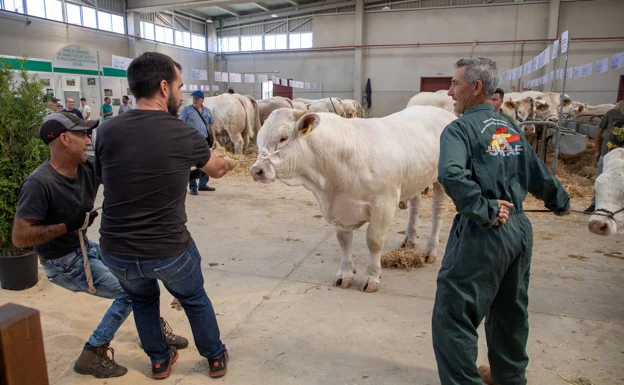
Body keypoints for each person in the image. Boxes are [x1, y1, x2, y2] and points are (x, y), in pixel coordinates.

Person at [11, 112, 189, 379]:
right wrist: (65, 225)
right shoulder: (40, 184)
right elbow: (20, 237)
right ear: (64, 139)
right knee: (131, 294)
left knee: (141, 279)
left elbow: (127, 171)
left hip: (85, 246)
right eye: (81, 135)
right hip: (62, 262)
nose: (87, 141)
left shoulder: (88, 167)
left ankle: (151, 333)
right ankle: (93, 352)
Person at [95, 52, 237, 380]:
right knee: (194, 298)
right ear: (163, 87)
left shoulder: (107, 131)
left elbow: (103, 178)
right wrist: (228, 164)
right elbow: (214, 169)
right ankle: (215, 358)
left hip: (116, 251)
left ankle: (159, 361)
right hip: (168, 249)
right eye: (179, 86)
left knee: (143, 300)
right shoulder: (182, 133)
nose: (181, 94)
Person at [432, 57, 571, 385]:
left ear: (476, 87)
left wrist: (484, 208)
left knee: (454, 315)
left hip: (486, 232)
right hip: (519, 232)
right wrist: (560, 201)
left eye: (455, 83)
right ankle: (509, 379)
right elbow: (535, 171)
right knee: (510, 310)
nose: (450, 92)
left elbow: (450, 174)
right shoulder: (506, 127)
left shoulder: (461, 129)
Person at [586, 100, 624, 212]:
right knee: (601, 180)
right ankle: (594, 204)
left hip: (622, 158)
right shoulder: (611, 113)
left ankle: (617, 207)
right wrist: (597, 150)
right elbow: (599, 132)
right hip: (607, 153)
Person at [179, 90, 217, 194]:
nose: (194, 100)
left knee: (206, 161)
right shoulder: (187, 110)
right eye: (193, 98)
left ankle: (203, 184)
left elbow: (211, 124)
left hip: (204, 140)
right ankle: (193, 187)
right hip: (190, 140)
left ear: (202, 100)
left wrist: (214, 138)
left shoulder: (207, 111)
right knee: (191, 163)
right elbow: (180, 123)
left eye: (196, 98)